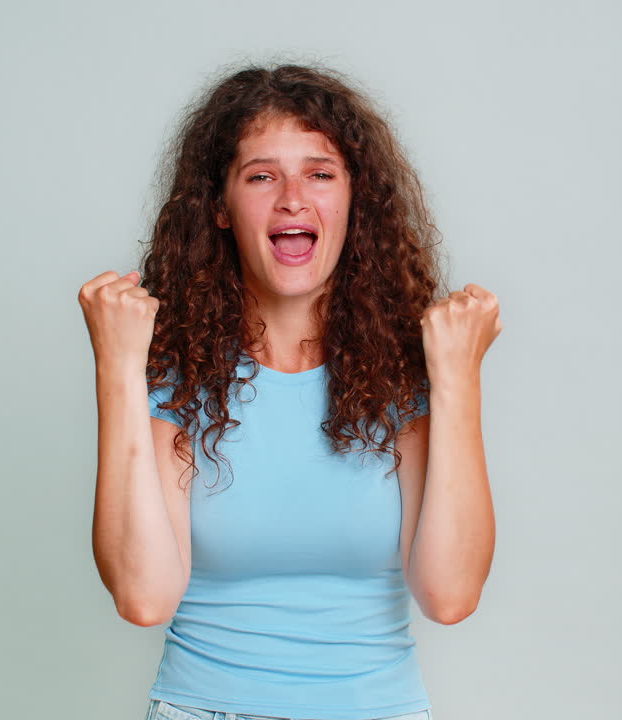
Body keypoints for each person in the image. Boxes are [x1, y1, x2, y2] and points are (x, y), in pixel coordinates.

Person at [78, 63, 501, 720]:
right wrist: (116, 370)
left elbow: (450, 596)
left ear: (356, 200)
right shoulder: (175, 376)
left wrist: (457, 379)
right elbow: (143, 597)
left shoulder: (404, 377)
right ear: (220, 207)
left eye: (321, 173)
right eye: (262, 175)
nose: (293, 199)